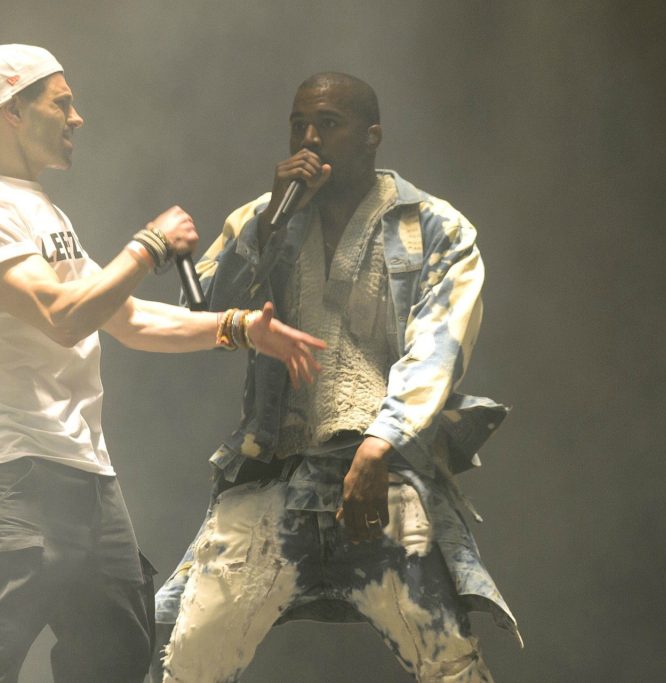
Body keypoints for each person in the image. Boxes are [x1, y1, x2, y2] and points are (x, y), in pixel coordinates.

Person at [0, 44, 324, 683]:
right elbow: (63, 315)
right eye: (61, 103)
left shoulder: (42, 211)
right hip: (15, 467)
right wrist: (149, 245)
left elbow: (127, 319)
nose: (76, 117)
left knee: (116, 649)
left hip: (83, 470)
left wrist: (239, 327)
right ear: (13, 113)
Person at [154, 72, 521, 682]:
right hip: (279, 470)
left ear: (372, 135)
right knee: (190, 658)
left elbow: (440, 347)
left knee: (449, 663)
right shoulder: (261, 217)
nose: (309, 139)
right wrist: (269, 226)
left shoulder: (436, 228)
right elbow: (206, 319)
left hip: (379, 471)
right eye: (299, 125)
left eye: (328, 123)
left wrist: (381, 444)